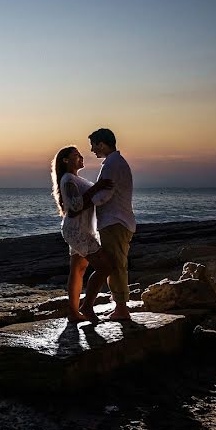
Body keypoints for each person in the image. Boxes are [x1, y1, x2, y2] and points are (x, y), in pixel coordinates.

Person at [51, 146, 114, 322]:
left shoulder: (73, 179)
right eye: (76, 155)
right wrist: (97, 188)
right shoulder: (68, 179)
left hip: (80, 229)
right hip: (77, 230)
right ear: (65, 160)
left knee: (78, 270)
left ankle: (73, 313)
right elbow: (75, 208)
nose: (80, 157)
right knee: (105, 267)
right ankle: (86, 307)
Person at [84, 128, 136, 321]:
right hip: (118, 220)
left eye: (93, 145)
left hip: (115, 221)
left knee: (116, 265)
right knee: (117, 264)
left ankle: (122, 309)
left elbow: (103, 196)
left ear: (102, 144)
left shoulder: (112, 165)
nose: (92, 150)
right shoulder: (116, 163)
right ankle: (120, 307)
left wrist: (84, 199)